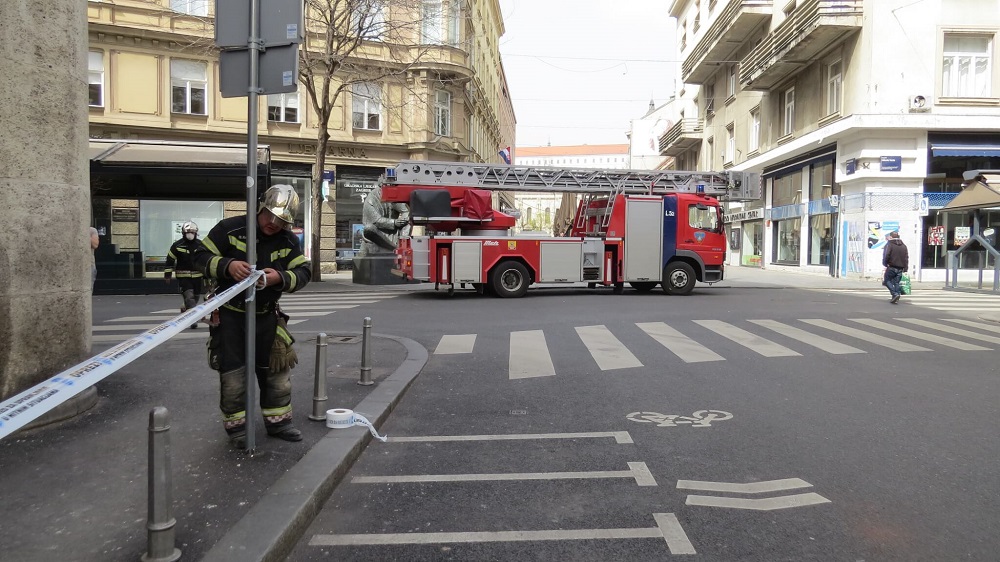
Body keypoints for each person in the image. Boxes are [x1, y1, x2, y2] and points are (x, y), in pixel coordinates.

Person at [193, 185, 311, 447]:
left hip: (267, 317)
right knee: (233, 375)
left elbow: (304, 272)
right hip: (231, 317)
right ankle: (237, 430)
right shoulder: (229, 229)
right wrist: (227, 266)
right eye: (270, 215)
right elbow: (198, 257)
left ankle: (279, 423)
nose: (273, 223)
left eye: (282, 220)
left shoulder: (288, 240)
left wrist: (278, 278)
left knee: (276, 373)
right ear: (261, 207)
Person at [164, 221, 206, 328]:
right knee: (189, 297)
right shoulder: (177, 245)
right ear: (183, 233)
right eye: (188, 232)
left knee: (195, 297)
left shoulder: (201, 245)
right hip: (183, 277)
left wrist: (208, 277)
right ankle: (193, 320)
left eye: (192, 232)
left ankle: (186, 308)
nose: (190, 234)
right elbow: (170, 260)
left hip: (197, 277)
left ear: (196, 233)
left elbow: (205, 260)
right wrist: (167, 275)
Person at [882, 230, 908, 304]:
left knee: (887, 281)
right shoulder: (903, 246)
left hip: (892, 266)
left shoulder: (889, 244)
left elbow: (886, 255)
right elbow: (906, 257)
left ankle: (895, 294)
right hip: (901, 267)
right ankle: (896, 297)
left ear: (890, 237)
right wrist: (905, 268)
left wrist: (885, 263)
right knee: (896, 282)